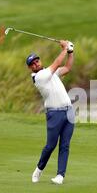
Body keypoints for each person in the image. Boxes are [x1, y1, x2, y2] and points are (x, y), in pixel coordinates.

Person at [26, 40, 74, 185]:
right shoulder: (38, 77)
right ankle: (39, 169)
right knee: (51, 145)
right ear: (30, 68)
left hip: (69, 111)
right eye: (32, 64)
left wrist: (71, 52)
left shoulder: (49, 72)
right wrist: (65, 48)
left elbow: (67, 68)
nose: (36, 64)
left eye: (37, 61)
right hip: (54, 114)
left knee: (65, 145)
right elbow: (57, 64)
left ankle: (60, 176)